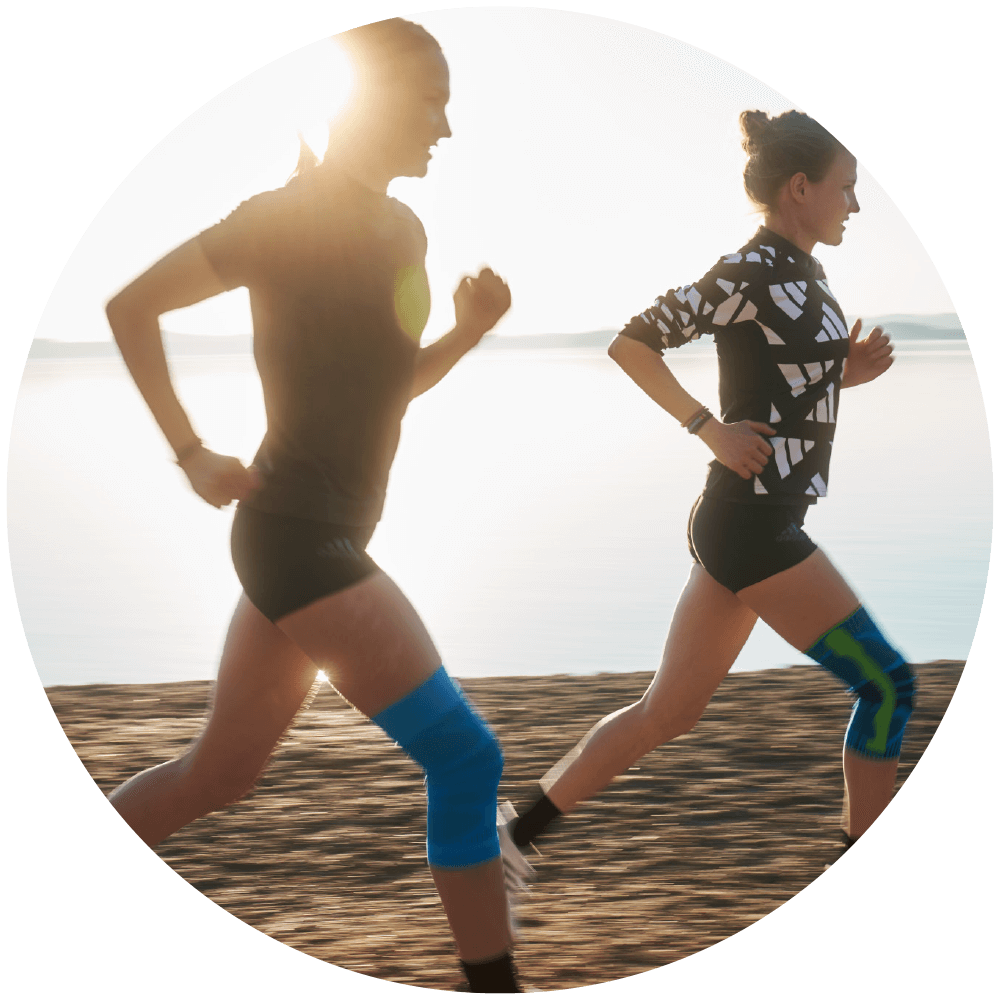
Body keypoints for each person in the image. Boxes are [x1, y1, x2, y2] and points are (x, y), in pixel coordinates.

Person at [105, 19, 527, 994]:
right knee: (467, 756)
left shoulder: (402, 230)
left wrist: (463, 334)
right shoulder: (281, 219)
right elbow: (129, 309)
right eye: (432, 100)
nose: (447, 127)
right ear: (371, 102)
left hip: (311, 537)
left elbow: (388, 386)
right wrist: (189, 450)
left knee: (217, 776)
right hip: (298, 537)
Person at [497, 109, 916, 889]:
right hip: (752, 527)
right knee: (888, 684)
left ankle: (514, 836)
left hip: (751, 523)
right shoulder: (748, 271)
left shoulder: (808, 273)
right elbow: (632, 341)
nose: (856, 205)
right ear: (801, 188)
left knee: (668, 714)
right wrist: (707, 427)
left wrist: (841, 374)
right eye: (847, 189)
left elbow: (784, 385)